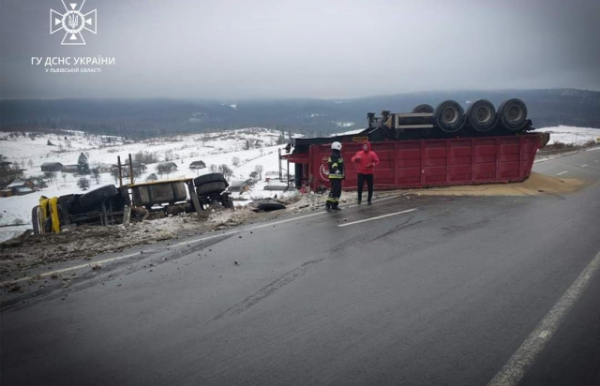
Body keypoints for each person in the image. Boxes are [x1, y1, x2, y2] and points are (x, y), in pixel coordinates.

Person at [351, 141, 380, 205]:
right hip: (361, 172)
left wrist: (372, 164)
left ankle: (369, 200)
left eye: (366, 146)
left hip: (369, 172)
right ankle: (359, 199)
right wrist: (356, 158)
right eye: (364, 146)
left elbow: (377, 161)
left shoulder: (372, 154)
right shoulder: (359, 153)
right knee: (360, 186)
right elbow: (352, 159)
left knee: (370, 187)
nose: (365, 147)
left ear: (369, 146)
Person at [326, 141, 344, 212]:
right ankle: (328, 204)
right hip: (334, 176)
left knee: (338, 191)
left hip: (338, 176)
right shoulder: (334, 155)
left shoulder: (338, 155)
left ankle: (334, 205)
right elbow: (334, 164)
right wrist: (336, 170)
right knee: (334, 191)